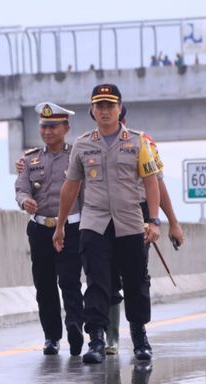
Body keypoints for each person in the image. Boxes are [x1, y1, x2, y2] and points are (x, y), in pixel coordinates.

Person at [53, 83, 161, 365]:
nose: (104, 111)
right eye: (99, 106)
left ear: (119, 108)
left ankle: (139, 337)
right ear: (91, 110)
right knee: (97, 282)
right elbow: (70, 186)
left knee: (136, 281)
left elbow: (151, 183)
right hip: (95, 222)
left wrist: (154, 220)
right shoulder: (82, 144)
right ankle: (97, 340)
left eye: (110, 106)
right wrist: (61, 224)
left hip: (130, 223)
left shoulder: (139, 143)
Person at [104, 105, 185, 355]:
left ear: (122, 118)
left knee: (136, 275)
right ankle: (111, 338)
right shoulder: (94, 143)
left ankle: (139, 337)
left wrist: (170, 222)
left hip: (138, 213)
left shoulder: (144, 144)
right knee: (105, 276)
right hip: (104, 214)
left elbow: (157, 184)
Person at [14, 102, 84, 356]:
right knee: (44, 285)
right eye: (44, 126)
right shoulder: (30, 159)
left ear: (66, 128)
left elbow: (87, 192)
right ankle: (51, 337)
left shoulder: (77, 156)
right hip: (41, 229)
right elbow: (21, 188)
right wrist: (25, 201)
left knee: (69, 280)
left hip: (71, 228)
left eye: (53, 126)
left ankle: (75, 327)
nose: (48, 131)